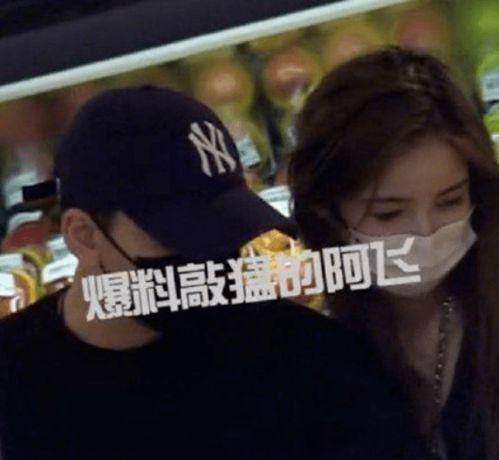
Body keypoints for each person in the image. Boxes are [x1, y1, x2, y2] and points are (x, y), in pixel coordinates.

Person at [0, 86, 419, 459]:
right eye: (180, 237)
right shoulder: (14, 382)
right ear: (85, 236)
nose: (211, 261)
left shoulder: (316, 363)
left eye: (226, 232)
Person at [288, 46, 499, 460]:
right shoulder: (319, 350)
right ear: (330, 213)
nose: (424, 232)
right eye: (388, 213)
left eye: (450, 201)